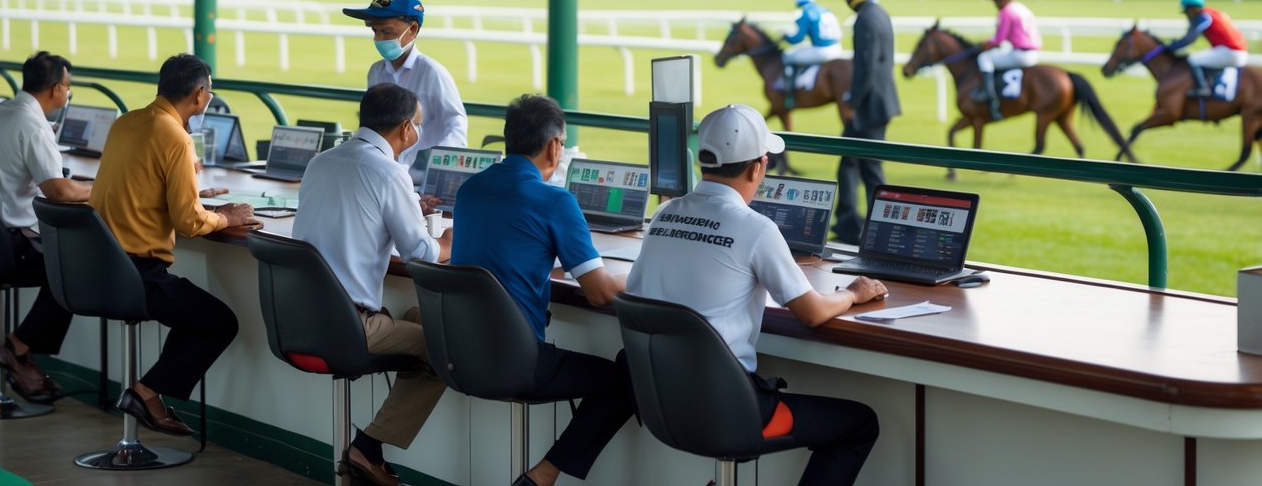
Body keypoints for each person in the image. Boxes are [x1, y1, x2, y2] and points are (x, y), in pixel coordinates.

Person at [627, 103, 886, 486]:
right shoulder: (756, 228)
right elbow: (812, 313)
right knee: (859, 424)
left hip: (658, 405)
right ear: (757, 167)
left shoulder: (665, 215)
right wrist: (852, 292)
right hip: (728, 413)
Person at [451, 94, 634, 486]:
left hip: (459, 354)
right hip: (517, 362)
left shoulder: (469, 191)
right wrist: (638, 277)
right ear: (555, 147)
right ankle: (542, 476)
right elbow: (600, 293)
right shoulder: (555, 201)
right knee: (625, 380)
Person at [292, 83, 451, 486]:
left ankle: (367, 451)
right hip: (347, 327)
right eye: (416, 125)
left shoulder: (321, 161)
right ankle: (367, 447)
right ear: (403, 128)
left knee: (419, 320)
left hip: (298, 319)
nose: (417, 132)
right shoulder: (389, 171)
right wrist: (448, 242)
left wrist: (407, 206)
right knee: (444, 348)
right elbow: (421, 255)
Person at [90, 53, 254, 436]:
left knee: (191, 310)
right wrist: (227, 217)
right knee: (218, 322)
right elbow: (189, 222)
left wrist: (190, 192)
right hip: (136, 274)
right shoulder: (176, 137)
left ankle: (148, 394)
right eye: (209, 93)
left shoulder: (127, 122)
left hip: (99, 264)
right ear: (200, 95)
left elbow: (138, 186)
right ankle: (146, 391)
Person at [0, 51, 92, 402]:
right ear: (57, 89)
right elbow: (59, 191)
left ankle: (22, 352)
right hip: (3, 247)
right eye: (68, 87)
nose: (68, 94)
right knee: (73, 270)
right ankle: (17, 347)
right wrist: (106, 188)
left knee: (62, 262)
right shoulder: (32, 125)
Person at [342, 0, 468, 186]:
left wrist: (435, 163)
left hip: (420, 181)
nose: (379, 39)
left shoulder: (433, 73)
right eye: (375, 31)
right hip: (380, 175)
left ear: (413, 30)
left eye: (388, 32)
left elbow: (456, 124)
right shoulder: (375, 72)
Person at [831, 0, 900, 245]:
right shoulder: (879, 13)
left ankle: (873, 226)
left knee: (865, 168)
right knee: (854, 163)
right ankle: (857, 224)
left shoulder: (865, 18)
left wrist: (852, 103)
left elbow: (867, 66)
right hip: (880, 101)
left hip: (868, 105)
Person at [972, 0, 1042, 119]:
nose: (994, 4)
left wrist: (985, 44)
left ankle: (988, 93)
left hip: (1020, 54)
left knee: (984, 58)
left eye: (995, 0)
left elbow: (999, 40)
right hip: (1033, 53)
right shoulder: (1022, 8)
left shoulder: (1006, 12)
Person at [1159, 0, 1248, 97]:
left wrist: (1169, 48)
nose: (1187, 16)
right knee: (1201, 57)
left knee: (1193, 60)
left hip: (1231, 52)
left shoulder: (1203, 18)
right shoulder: (1213, 13)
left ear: (1192, 9)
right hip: (1234, 50)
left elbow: (1189, 39)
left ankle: (1202, 88)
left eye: (1186, 12)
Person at [781, 0, 843, 104]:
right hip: (837, 48)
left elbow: (797, 39)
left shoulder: (806, 13)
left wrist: (785, 36)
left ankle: (789, 96)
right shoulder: (825, 10)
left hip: (822, 51)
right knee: (804, 48)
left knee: (787, 57)